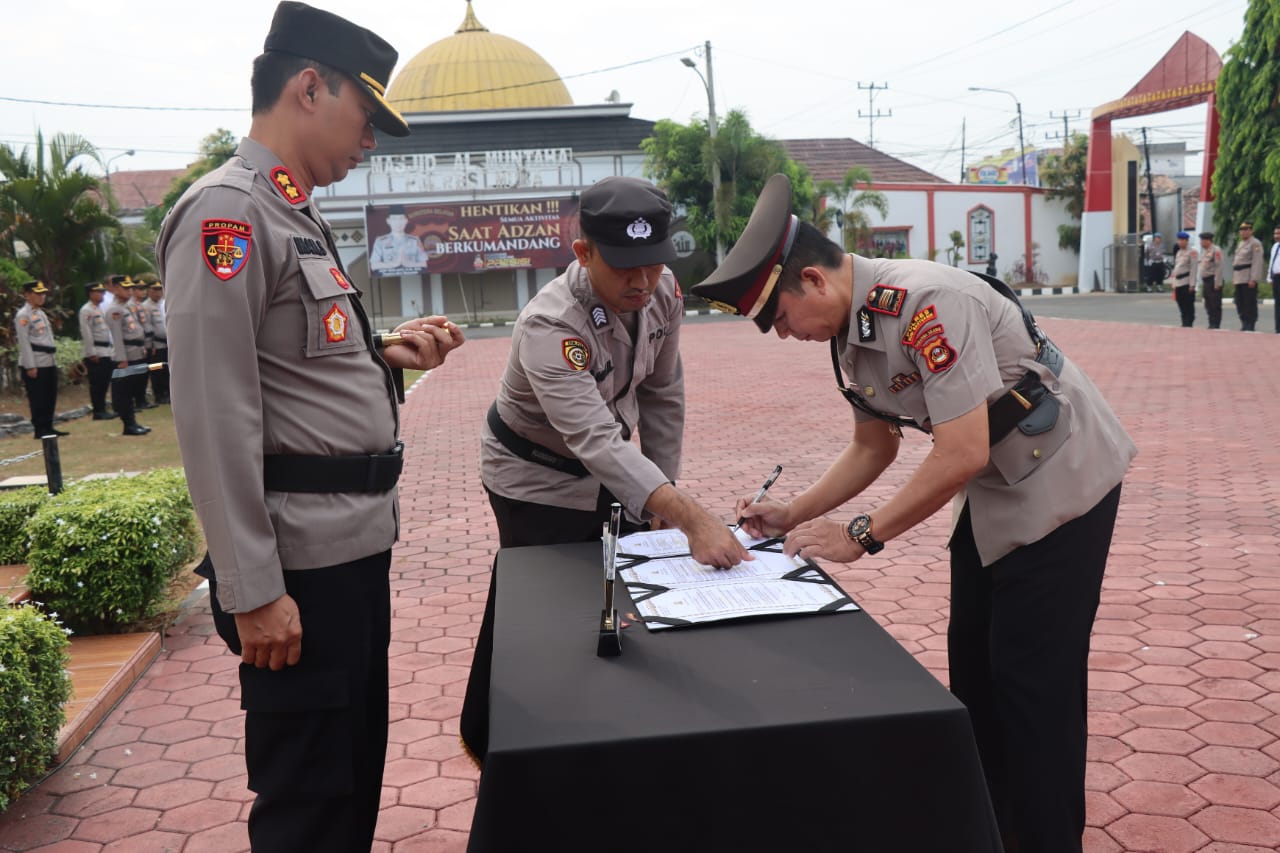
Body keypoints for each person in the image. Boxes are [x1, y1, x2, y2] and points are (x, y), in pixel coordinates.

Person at [692, 173, 1137, 853]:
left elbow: (959, 452)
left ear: (812, 281)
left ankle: (1047, 839)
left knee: (1033, 688)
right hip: (997, 490)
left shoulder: (926, 302)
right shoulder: (852, 333)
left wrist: (862, 534)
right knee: (976, 674)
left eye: (780, 319)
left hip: (1063, 481)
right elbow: (874, 444)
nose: (784, 336)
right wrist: (794, 512)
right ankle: (993, 830)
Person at [155, 4, 464, 851]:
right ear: (307, 88)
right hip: (294, 570)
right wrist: (251, 589)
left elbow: (290, 361)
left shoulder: (295, 211)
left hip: (349, 551)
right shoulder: (229, 214)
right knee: (311, 805)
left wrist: (387, 353)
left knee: (351, 782)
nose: (370, 142)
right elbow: (214, 410)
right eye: (366, 118)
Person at [461, 176, 749, 761]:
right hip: (534, 480)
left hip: (613, 470)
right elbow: (593, 438)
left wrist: (661, 501)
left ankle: (605, 734)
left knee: (614, 595)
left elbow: (664, 395)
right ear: (583, 253)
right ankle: (500, 737)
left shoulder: (663, 292)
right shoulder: (551, 325)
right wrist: (688, 515)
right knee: (541, 609)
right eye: (624, 267)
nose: (642, 281)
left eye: (652, 263)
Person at [14, 280, 66, 439]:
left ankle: (48, 426)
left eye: (43, 293)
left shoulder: (40, 312)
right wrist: (30, 366)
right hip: (35, 362)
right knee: (38, 397)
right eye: (38, 293)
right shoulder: (23, 315)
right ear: (28, 295)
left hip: (48, 360)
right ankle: (40, 429)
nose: (42, 296)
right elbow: (24, 342)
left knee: (50, 396)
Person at [103, 274, 150, 436]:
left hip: (135, 352)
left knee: (132, 389)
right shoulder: (114, 310)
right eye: (125, 288)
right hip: (125, 356)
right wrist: (122, 359)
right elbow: (116, 337)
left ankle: (133, 422)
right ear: (115, 289)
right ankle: (128, 424)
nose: (129, 291)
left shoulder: (127, 307)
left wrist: (142, 346)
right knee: (124, 392)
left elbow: (136, 328)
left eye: (130, 288)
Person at [78, 280, 116, 419]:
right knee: (97, 384)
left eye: (102, 292)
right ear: (90, 294)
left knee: (105, 382)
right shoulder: (86, 310)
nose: (101, 295)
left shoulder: (99, 309)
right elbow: (86, 333)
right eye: (98, 292)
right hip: (97, 351)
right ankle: (98, 411)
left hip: (106, 350)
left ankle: (102, 408)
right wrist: (91, 352)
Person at [368, 204, 429, 272]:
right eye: (394, 219)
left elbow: (424, 264)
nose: (398, 222)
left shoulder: (415, 240)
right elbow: (374, 265)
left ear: (406, 221)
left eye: (401, 219)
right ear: (388, 221)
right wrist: (394, 264)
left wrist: (408, 264)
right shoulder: (380, 241)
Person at [128, 277, 157, 409]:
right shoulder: (131, 305)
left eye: (144, 289)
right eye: (139, 289)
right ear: (133, 290)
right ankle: (137, 400)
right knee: (136, 374)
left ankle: (142, 399)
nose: (143, 291)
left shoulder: (141, 305)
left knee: (145, 373)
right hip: (138, 344)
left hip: (148, 342)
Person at [1231, 221, 1264, 331]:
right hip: (1239, 277)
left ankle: (1250, 323)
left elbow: (1257, 262)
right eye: (1242, 230)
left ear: (1251, 231)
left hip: (1248, 277)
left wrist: (1253, 279)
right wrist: (1234, 279)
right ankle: (1244, 322)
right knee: (1239, 301)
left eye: (1246, 229)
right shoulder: (1240, 244)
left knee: (1249, 302)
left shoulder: (1255, 243)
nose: (1243, 232)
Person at [143, 278, 170, 403]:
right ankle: (159, 394)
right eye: (155, 290)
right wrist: (150, 345)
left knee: (168, 369)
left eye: (160, 289)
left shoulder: (165, 303)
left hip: (168, 343)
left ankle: (168, 393)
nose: (158, 292)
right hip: (156, 345)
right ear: (149, 291)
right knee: (156, 370)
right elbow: (147, 327)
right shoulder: (145, 306)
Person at [1169, 231, 1198, 327]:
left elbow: (1194, 269)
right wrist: (1173, 282)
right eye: (1179, 240)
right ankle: (1184, 322)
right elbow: (1177, 268)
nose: (1180, 242)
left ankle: (1189, 322)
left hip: (1187, 282)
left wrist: (1192, 284)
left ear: (1187, 241)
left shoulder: (1192, 252)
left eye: (1182, 240)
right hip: (1178, 282)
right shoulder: (1178, 252)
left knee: (1188, 304)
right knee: (1180, 303)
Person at [1198, 231, 1224, 329]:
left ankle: (1215, 324)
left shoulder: (1216, 250)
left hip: (1213, 280)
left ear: (1208, 241)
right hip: (1206, 281)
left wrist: (1218, 283)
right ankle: (1211, 322)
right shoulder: (1205, 251)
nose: (1201, 243)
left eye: (1202, 240)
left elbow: (1219, 267)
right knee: (1208, 303)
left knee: (1215, 304)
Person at [1270, 226, 1280, 333]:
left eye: (1278, 233)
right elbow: (1272, 263)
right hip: (1276, 277)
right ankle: (1278, 327)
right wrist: (1270, 277)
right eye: (1275, 233)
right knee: (1277, 303)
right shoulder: (1274, 247)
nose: (1276, 236)